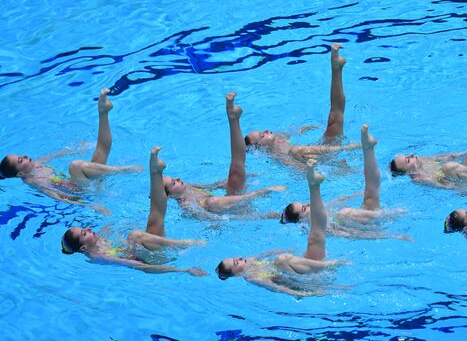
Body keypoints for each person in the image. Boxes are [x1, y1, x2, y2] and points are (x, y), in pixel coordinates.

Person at [61, 146, 207, 275]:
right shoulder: (100, 256)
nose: (88, 228)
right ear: (83, 247)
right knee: (136, 235)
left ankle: (155, 173)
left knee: (154, 218)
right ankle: (186, 243)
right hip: (154, 260)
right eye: (84, 232)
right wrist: (183, 270)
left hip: (150, 249)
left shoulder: (100, 238)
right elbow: (141, 267)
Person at [215, 159, 342, 296]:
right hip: (305, 282)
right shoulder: (252, 277)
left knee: (314, 236)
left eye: (236, 258)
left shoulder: (250, 261)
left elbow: (268, 254)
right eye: (236, 262)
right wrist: (304, 294)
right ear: (235, 273)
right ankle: (331, 264)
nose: (240, 257)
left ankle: (314, 186)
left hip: (302, 271)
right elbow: (277, 288)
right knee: (285, 257)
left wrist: (283, 250)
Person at [0, 89, 141, 211]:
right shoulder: (34, 180)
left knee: (100, 149)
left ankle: (103, 112)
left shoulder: (36, 163)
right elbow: (58, 197)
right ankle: (122, 170)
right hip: (80, 192)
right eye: (20, 160)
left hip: (81, 183)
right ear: (20, 173)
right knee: (75, 166)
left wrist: (77, 148)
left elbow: (55, 155)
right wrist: (90, 205)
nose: (24, 155)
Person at [164, 92, 286, 217]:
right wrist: (216, 222)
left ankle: (233, 119)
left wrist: (229, 182)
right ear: (170, 196)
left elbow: (212, 186)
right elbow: (206, 217)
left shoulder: (189, 186)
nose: (178, 179)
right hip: (227, 209)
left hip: (231, 200)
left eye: (174, 178)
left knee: (236, 168)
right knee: (212, 201)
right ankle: (261, 192)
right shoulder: (185, 204)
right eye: (173, 183)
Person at [281, 125, 410, 241]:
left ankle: (368, 148)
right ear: (301, 219)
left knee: (370, 190)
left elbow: (339, 200)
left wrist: (357, 194)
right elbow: (351, 234)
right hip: (367, 225)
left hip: (365, 217)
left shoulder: (318, 214)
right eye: (304, 208)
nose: (308, 204)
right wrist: (391, 236)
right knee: (345, 213)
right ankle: (389, 213)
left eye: (304, 203)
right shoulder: (319, 228)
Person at [244, 44, 360, 166]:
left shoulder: (278, 136)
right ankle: (352, 147)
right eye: (262, 135)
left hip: (319, 151)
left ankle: (336, 68)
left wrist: (306, 128)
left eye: (262, 131)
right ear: (260, 149)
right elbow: (300, 172)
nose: (266, 130)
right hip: (320, 164)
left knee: (334, 117)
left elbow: (295, 131)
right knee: (296, 150)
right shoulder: (277, 156)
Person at [390, 75, 467, 188]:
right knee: (448, 167)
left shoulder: (423, 160)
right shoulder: (420, 178)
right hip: (465, 185)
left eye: (407, 155)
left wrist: (464, 154)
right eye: (407, 160)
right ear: (408, 172)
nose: (411, 154)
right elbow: (447, 187)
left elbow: (448, 156)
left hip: (466, 170)